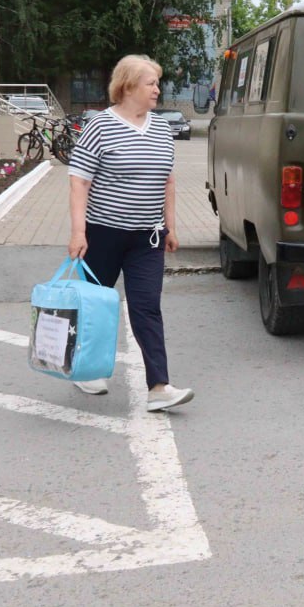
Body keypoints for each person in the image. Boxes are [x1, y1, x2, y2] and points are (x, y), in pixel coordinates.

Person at [67, 55, 194, 412]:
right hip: (102, 234)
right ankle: (85, 370)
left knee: (147, 307)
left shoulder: (160, 129)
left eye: (157, 82)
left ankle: (159, 386)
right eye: (151, 83)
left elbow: (167, 180)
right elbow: (79, 181)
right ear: (127, 86)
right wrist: (79, 232)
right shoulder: (100, 127)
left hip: (147, 238)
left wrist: (169, 226)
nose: (158, 89)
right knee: (94, 305)